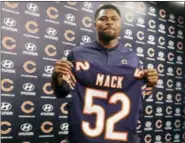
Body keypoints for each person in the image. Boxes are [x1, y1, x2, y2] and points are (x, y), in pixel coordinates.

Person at [52, 4, 158, 143]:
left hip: (120, 137)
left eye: (114, 18)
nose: (109, 21)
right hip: (85, 137)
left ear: (120, 23)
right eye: (103, 18)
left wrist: (150, 84)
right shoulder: (78, 54)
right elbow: (62, 92)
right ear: (95, 24)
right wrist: (56, 76)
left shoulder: (132, 58)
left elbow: (136, 96)